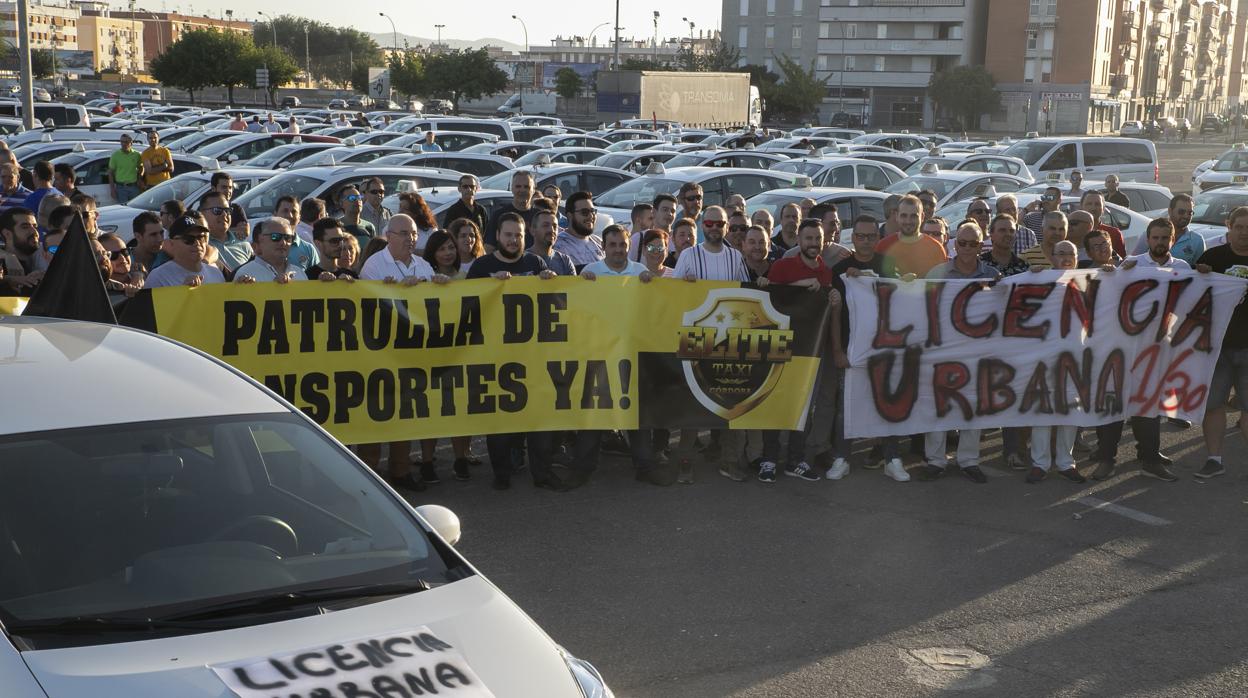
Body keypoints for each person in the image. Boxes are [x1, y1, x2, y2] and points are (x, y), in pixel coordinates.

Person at [468, 213, 562, 491]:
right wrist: (489, 286)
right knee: (500, 421)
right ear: (497, 236)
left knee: (538, 418)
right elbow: (465, 305)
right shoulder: (482, 266)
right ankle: (502, 474)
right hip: (495, 357)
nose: (513, 240)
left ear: (525, 236)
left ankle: (542, 473)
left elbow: (552, 304)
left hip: (532, 356)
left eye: (518, 235)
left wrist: (550, 281)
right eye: (508, 235)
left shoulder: (535, 263)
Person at [1088, 218, 1187, 482]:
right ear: (1148, 238)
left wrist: (1204, 276)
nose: (1160, 242)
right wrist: (1110, 274)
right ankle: (1106, 458)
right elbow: (1108, 299)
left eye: (1165, 238)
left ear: (1172, 240)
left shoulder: (1183, 268)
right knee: (1114, 404)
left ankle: (1149, 458)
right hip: (1123, 348)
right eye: (1155, 238)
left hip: (1158, 350)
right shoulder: (1131, 265)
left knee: (1149, 405)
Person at [915, 221, 1001, 485]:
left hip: (977, 351)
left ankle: (969, 460)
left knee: (973, 404)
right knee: (939, 404)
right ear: (955, 244)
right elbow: (920, 306)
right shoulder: (937, 273)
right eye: (962, 243)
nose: (966, 248)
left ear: (980, 245)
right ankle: (936, 460)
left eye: (972, 244)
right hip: (942, 349)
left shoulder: (992, 275)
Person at [674, 205, 749, 484]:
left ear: (727, 226)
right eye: (710, 223)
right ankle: (685, 462)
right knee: (692, 404)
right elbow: (673, 295)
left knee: (731, 402)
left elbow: (746, 293)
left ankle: (730, 461)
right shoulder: (689, 255)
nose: (715, 228)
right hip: (696, 339)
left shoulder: (735, 257)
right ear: (702, 225)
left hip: (729, 341)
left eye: (720, 223)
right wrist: (685, 284)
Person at [757, 218, 833, 484]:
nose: (813, 243)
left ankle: (795, 460)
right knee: (773, 403)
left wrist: (833, 298)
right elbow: (770, 298)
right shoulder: (782, 266)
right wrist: (800, 286)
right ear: (799, 240)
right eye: (808, 238)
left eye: (817, 238)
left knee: (802, 407)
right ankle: (769, 459)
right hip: (779, 347)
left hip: (808, 352)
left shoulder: (826, 272)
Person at [826, 215, 888, 480]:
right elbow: (835, 314)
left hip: (883, 349)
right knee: (846, 407)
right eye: (860, 236)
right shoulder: (840, 270)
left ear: (878, 238)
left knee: (886, 403)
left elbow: (902, 296)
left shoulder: (888, 265)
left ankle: (892, 458)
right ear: (852, 238)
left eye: (871, 236)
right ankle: (842, 458)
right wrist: (837, 351)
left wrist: (865, 277)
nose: (865, 241)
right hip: (851, 348)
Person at [1022, 239, 1087, 484]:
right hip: (1044, 357)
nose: (1066, 258)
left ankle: (1065, 462)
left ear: (1077, 258)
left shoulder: (1088, 282)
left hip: (1076, 357)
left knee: (1070, 411)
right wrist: (1030, 278)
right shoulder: (1040, 280)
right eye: (1061, 253)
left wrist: (1113, 273)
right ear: (1052, 256)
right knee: (1043, 410)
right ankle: (1040, 463)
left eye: (1071, 254)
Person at [1195, 205, 1248, 479]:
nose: (1244, 233)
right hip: (1217, 349)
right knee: (1213, 405)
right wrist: (1199, 273)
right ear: (1229, 227)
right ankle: (1214, 460)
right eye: (1239, 227)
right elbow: (1190, 296)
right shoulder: (1212, 258)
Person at [144, 213, 227, 288]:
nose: (197, 243)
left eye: (201, 238)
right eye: (189, 239)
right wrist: (182, 291)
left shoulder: (216, 273)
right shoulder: (158, 277)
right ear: (172, 243)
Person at [876, 194, 947, 277]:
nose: (908, 221)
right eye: (904, 216)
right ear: (897, 216)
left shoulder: (936, 249)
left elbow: (941, 282)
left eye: (913, 216)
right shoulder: (883, 246)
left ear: (922, 217)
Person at [359, 214, 438, 284]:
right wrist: (398, 288)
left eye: (414, 234)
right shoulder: (373, 266)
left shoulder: (424, 265)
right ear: (389, 236)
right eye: (404, 233)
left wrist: (440, 284)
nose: (410, 238)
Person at [234, 219, 302, 283]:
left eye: (288, 238)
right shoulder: (245, 276)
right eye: (275, 236)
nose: (283, 242)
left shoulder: (300, 273)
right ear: (256, 246)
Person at [200, 191, 251, 275]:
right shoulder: (198, 244)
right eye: (217, 210)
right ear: (202, 214)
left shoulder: (242, 242)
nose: (224, 215)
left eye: (227, 210)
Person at [485, 170, 537, 251]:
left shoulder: (539, 217)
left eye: (526, 187)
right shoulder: (499, 215)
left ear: (533, 190)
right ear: (511, 188)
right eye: (518, 186)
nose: (522, 190)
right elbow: (489, 247)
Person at [554, 191, 605, 268]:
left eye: (593, 211)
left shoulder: (599, 242)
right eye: (584, 212)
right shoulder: (558, 246)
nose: (591, 216)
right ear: (570, 216)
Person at [0, 207, 43, 295]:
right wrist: (7, 279)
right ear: (7, 233)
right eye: (25, 227)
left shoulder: (45, 254)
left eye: (35, 226)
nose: (34, 232)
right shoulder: (2, 266)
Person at [1079, 191, 1125, 258]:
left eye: (1097, 204)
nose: (1093, 208)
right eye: (1089, 204)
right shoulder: (1073, 232)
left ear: (1103, 209)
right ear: (1081, 207)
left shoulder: (1114, 233)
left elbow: (1121, 262)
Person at [530, 208, 575, 276]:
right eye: (545, 225)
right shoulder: (521, 260)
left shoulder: (565, 261)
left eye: (555, 226)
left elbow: (574, 283)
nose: (551, 230)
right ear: (533, 231)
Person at [129, 211, 166, 279]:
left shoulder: (168, 257)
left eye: (161, 233)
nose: (160, 239)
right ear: (138, 236)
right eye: (153, 235)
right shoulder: (123, 260)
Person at [107, 134, 143, 205]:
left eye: (126, 142)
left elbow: (141, 167)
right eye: (122, 142)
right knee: (124, 208)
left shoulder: (136, 155)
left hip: (134, 187)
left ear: (131, 143)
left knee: (136, 207)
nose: (123, 144)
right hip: (121, 188)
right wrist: (112, 189)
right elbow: (110, 173)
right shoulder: (115, 155)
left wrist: (139, 179)